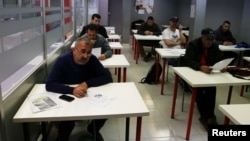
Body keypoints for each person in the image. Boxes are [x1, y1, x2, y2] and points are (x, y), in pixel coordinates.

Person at [46, 37, 112, 141]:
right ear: (74, 50)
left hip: (87, 97)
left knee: (106, 109)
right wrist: (71, 90)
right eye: (83, 51)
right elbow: (50, 84)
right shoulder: (62, 60)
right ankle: (63, 136)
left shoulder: (92, 60)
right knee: (67, 122)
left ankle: (93, 130)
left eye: (89, 52)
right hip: (70, 99)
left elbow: (107, 77)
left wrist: (86, 83)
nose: (86, 56)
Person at [182, 28, 224, 130]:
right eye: (207, 39)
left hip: (208, 73)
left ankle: (210, 115)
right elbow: (187, 60)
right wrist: (200, 67)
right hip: (194, 72)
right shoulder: (193, 44)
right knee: (199, 90)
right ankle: (205, 116)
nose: (210, 42)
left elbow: (219, 59)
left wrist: (222, 66)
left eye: (212, 39)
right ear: (202, 37)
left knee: (212, 88)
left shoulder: (214, 46)